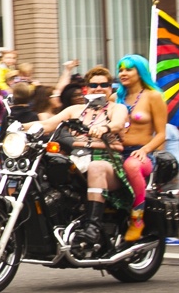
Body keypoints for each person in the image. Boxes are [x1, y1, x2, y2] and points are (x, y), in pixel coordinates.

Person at [36, 66, 132, 250]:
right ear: (86, 88)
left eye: (104, 84)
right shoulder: (76, 110)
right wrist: (17, 126)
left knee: (96, 166)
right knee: (49, 164)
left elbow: (119, 123)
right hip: (77, 160)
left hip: (107, 160)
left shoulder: (116, 108)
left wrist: (105, 128)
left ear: (110, 87)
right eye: (94, 84)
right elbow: (47, 124)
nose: (99, 88)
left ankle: (92, 227)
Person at [114, 54, 168, 240]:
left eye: (129, 69)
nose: (123, 73)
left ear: (141, 72)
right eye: (120, 69)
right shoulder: (116, 98)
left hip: (141, 154)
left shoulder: (154, 96)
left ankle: (137, 218)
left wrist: (145, 150)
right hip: (116, 151)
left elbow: (161, 134)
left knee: (131, 165)